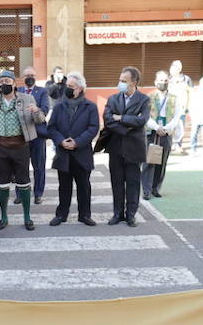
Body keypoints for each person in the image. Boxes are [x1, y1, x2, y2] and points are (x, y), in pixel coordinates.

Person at [0, 70, 45, 231]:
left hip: (21, 146)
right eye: (1, 81)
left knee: (24, 182)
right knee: (2, 184)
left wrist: (36, 111)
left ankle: (27, 217)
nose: (4, 84)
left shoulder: (27, 99)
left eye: (7, 81)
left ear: (14, 83)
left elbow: (40, 120)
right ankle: (3, 217)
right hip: (1, 147)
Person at [47, 72, 100, 227]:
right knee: (64, 187)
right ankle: (61, 215)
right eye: (67, 86)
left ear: (80, 89)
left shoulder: (90, 106)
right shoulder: (58, 106)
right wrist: (60, 141)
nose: (67, 89)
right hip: (63, 153)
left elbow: (93, 128)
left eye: (71, 86)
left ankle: (84, 215)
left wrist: (77, 142)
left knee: (84, 186)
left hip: (82, 154)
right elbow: (51, 128)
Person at [103, 65, 150, 227]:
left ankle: (131, 214)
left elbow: (141, 120)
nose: (120, 83)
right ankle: (118, 213)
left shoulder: (144, 100)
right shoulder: (113, 99)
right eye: (120, 80)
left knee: (133, 183)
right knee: (116, 182)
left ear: (134, 82)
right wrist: (127, 125)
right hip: (115, 147)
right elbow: (108, 120)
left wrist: (120, 117)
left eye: (124, 81)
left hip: (134, 148)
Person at [142, 69, 183, 200]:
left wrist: (165, 128)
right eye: (160, 80)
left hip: (166, 133)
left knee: (162, 162)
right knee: (150, 161)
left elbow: (177, 116)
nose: (163, 82)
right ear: (155, 82)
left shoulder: (174, 98)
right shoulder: (148, 97)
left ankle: (156, 188)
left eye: (165, 80)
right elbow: (145, 116)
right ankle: (146, 190)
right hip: (152, 132)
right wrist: (156, 127)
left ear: (168, 82)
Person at [18, 65, 52, 204]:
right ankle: (20, 194)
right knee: (21, 166)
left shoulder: (42, 91)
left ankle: (38, 193)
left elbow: (45, 109)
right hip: (21, 135)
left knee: (38, 166)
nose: (29, 78)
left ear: (35, 77)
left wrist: (35, 109)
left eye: (32, 75)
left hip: (38, 135)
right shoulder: (18, 91)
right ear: (23, 77)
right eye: (27, 76)